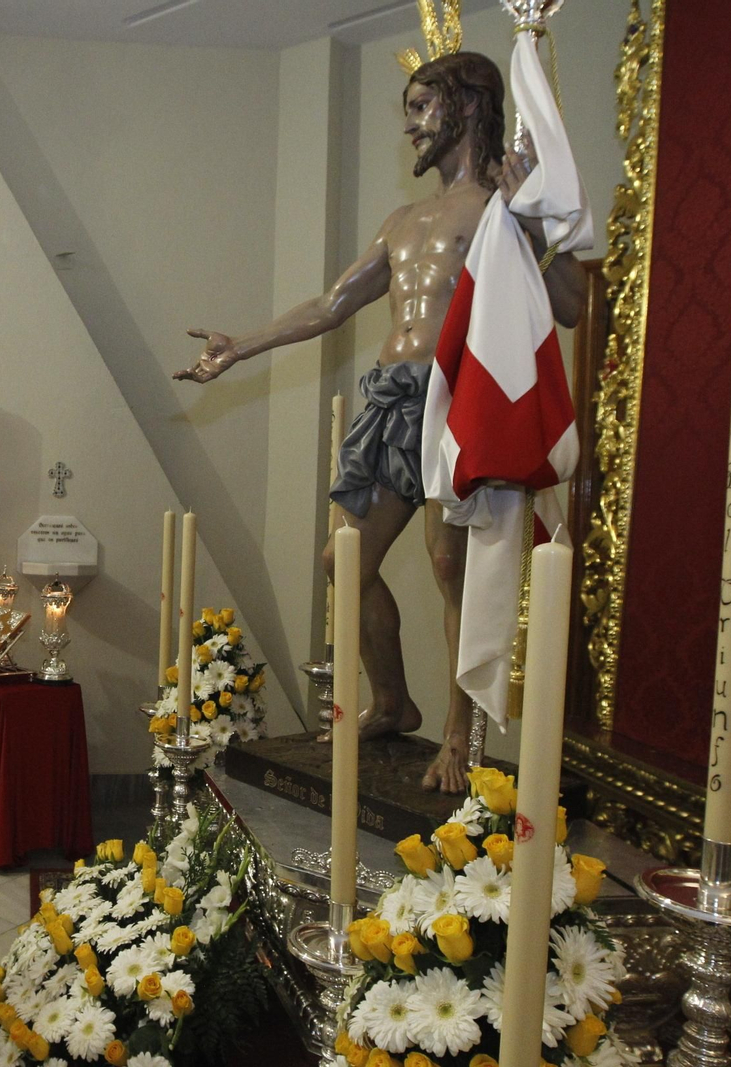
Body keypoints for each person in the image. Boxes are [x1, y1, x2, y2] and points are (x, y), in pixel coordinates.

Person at [175, 52, 586, 793]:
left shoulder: (500, 205)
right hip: (393, 398)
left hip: (458, 396)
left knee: (447, 564)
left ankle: (462, 735)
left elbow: (573, 305)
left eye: (423, 108)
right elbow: (333, 304)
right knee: (344, 562)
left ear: (464, 109)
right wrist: (243, 346)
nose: (410, 126)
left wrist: (530, 223)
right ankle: (394, 701)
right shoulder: (404, 220)